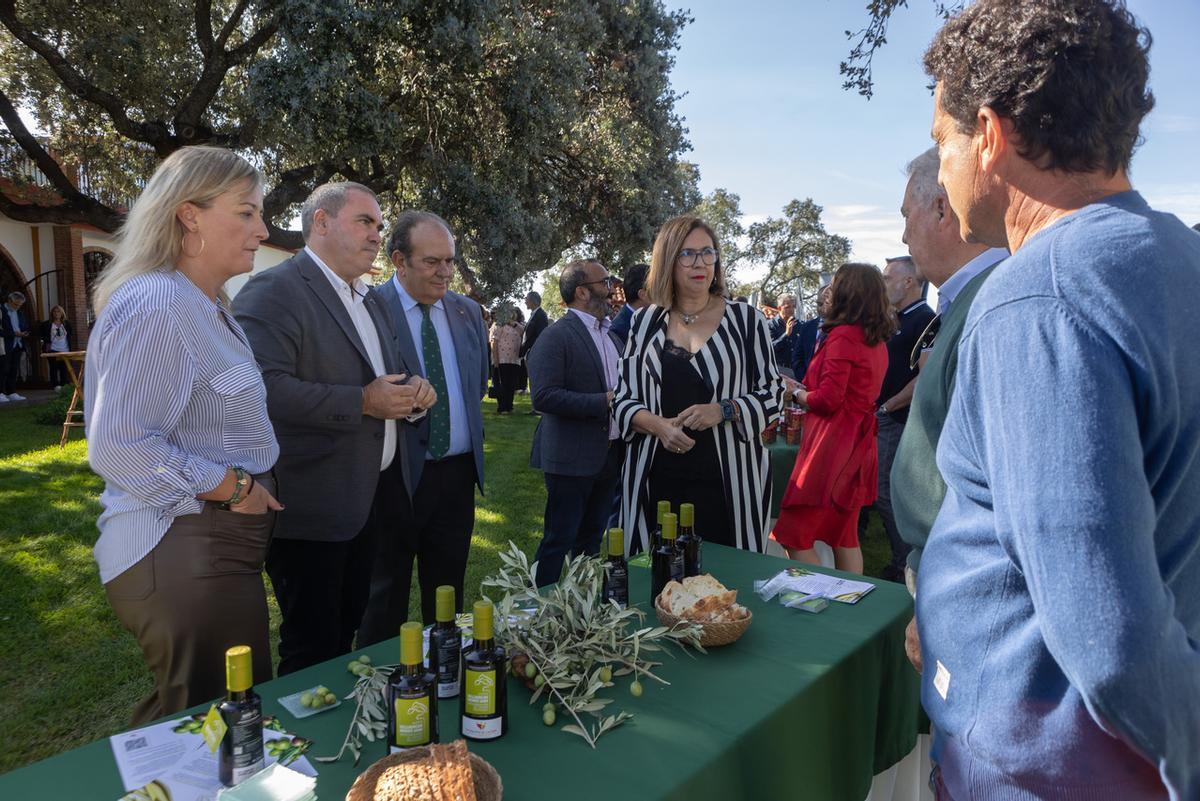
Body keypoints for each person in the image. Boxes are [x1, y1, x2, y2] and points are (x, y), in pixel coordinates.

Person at [919, 2, 1200, 798]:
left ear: (989, 134)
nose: (942, 170)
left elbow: (1113, 640)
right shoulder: (1179, 258)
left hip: (1047, 769)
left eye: (944, 142)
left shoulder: (1036, 298)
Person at [84, 145, 282, 723]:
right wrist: (233, 486)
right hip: (184, 545)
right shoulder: (159, 303)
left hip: (206, 550)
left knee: (197, 719)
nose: (261, 228)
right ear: (188, 214)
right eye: (245, 212)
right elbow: (120, 444)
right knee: (216, 728)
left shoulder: (203, 303)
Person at [233, 182, 434, 676]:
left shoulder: (370, 299)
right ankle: (305, 747)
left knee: (348, 629)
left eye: (379, 225)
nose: (376, 235)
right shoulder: (275, 289)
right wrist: (363, 402)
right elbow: (262, 388)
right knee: (312, 644)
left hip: (370, 498)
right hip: (311, 506)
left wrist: (415, 393)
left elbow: (390, 372)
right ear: (321, 222)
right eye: (365, 222)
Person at [614, 215, 784, 554]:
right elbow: (623, 399)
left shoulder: (746, 321)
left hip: (729, 480)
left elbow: (774, 393)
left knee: (726, 590)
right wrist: (659, 426)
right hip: (656, 476)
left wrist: (722, 410)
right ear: (668, 261)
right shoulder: (645, 322)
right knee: (658, 580)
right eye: (687, 254)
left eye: (708, 253)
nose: (700, 263)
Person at [360, 210, 488, 637]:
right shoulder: (370, 308)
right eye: (432, 262)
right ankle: (379, 684)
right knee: (385, 592)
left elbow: (476, 383)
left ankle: (445, 676)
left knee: (448, 592)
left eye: (450, 260)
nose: (445, 272)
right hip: (395, 476)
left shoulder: (468, 311)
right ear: (399, 260)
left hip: (456, 476)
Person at [772, 263, 894, 574]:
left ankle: (815, 597)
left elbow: (827, 401)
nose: (828, 290)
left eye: (835, 284)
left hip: (833, 444)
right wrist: (806, 389)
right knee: (844, 535)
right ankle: (849, 609)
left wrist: (794, 393)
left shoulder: (843, 335)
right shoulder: (874, 338)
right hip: (857, 442)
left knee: (794, 533)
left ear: (847, 292)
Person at [527, 258, 623, 586]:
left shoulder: (612, 335)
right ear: (582, 292)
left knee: (591, 541)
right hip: (569, 459)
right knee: (558, 541)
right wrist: (604, 401)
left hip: (608, 455)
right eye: (605, 283)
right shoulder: (556, 336)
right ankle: (537, 613)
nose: (612, 290)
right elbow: (543, 396)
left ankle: (581, 609)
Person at [858, 256, 934, 582]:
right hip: (882, 415)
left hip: (897, 419)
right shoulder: (896, 318)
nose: (883, 283)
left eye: (889, 277)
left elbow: (925, 376)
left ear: (908, 282)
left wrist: (890, 405)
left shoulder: (925, 319)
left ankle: (905, 563)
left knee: (886, 493)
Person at [790, 283, 831, 380]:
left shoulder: (842, 329)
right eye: (818, 304)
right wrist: (805, 379)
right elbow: (797, 357)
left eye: (824, 304)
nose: (821, 308)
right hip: (805, 385)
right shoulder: (807, 327)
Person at [489, 305, 524, 414]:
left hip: (514, 360)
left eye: (512, 312)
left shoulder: (518, 326)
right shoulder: (498, 324)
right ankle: (502, 407)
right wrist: (496, 360)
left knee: (511, 384)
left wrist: (512, 323)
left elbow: (523, 333)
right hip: (501, 359)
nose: (511, 314)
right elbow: (494, 343)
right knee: (502, 384)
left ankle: (509, 406)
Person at [609, 262, 650, 349]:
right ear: (643, 295)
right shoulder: (618, 332)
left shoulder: (652, 317)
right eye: (658, 287)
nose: (664, 292)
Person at [520, 290, 549, 404]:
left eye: (526, 299)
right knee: (531, 378)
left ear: (532, 301)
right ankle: (535, 405)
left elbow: (540, 335)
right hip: (530, 351)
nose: (525, 302)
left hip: (535, 351)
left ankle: (538, 405)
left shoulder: (541, 315)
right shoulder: (534, 314)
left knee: (535, 378)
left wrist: (532, 350)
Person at [1, 291, 30, 401]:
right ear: (9, 300)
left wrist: (24, 332)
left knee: (14, 369)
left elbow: (23, 325)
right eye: (15, 304)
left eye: (19, 305)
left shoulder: (19, 312)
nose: (17, 307)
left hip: (18, 344)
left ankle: (11, 392)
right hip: (5, 345)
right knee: (3, 369)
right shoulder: (1, 310)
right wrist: (13, 334)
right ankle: (1, 392)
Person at [38, 305, 73, 389]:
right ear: (52, 313)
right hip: (52, 349)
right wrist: (44, 342)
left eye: (58, 311)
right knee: (53, 368)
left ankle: (64, 386)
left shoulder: (67, 324)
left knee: (63, 368)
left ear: (62, 313)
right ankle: (55, 386)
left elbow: (70, 335)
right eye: (55, 311)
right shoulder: (46, 324)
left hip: (65, 349)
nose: (56, 313)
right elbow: (41, 335)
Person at [768, 294, 800, 377]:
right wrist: (786, 334)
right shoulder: (770, 325)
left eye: (793, 307)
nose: (792, 310)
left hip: (797, 370)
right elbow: (771, 348)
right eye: (787, 307)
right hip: (780, 371)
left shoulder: (799, 325)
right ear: (779, 308)